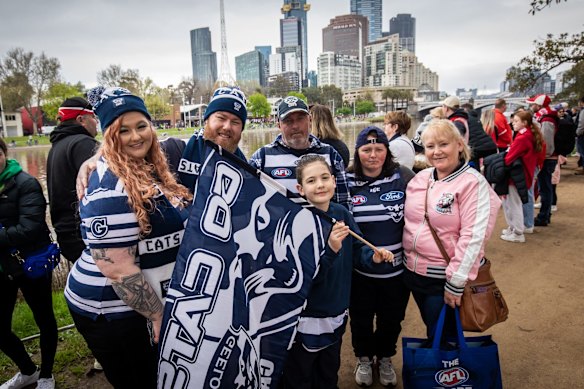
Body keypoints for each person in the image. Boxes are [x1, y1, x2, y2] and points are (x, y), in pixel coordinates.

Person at [64, 87, 192, 389]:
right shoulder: (108, 189)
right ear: (110, 135)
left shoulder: (148, 165)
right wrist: (159, 317)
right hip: (111, 310)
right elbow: (119, 271)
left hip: (142, 302)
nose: (135, 137)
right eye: (123, 130)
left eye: (141, 126)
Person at [279, 154, 392, 389]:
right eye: (311, 181)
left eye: (324, 178)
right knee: (300, 374)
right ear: (300, 188)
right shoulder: (297, 222)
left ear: (333, 180)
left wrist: (373, 256)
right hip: (306, 317)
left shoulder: (342, 214)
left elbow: (359, 251)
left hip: (337, 310)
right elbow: (302, 278)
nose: (320, 185)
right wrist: (331, 248)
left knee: (329, 371)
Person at [402, 119, 500, 337]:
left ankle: (449, 370)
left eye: (443, 144)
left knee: (443, 336)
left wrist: (456, 281)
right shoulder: (421, 178)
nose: (436, 152)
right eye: (430, 146)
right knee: (433, 329)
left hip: (443, 277)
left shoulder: (472, 183)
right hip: (414, 273)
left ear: (459, 144)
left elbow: (474, 236)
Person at [346, 126, 414, 387]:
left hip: (396, 273)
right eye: (366, 149)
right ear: (358, 152)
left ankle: (385, 357)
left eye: (379, 149)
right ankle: (364, 358)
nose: (372, 155)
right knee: (361, 319)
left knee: (391, 320)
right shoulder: (347, 180)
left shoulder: (404, 177)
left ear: (387, 151)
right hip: (361, 273)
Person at [0, 138, 58, 389]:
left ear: (4, 153)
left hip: (30, 263)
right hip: (2, 267)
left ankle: (47, 374)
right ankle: (28, 371)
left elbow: (31, 227)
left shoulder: (26, 183)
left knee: (44, 319)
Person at [249, 96, 351, 210]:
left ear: (310, 120)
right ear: (279, 125)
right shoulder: (261, 158)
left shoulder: (331, 155)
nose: (295, 126)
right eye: (288, 121)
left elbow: (344, 203)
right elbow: (250, 202)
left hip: (323, 227)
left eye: (300, 119)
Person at [47, 97, 99, 263]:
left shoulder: (58, 145)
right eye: (93, 117)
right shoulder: (83, 143)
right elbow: (102, 187)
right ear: (81, 119)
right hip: (85, 235)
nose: (96, 122)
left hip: (65, 234)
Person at [500, 111, 542, 243]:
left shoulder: (523, 137)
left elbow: (509, 158)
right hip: (522, 174)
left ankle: (518, 231)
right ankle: (514, 228)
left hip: (516, 175)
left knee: (513, 203)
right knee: (513, 202)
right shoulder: (529, 135)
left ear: (524, 123)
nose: (513, 122)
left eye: (516, 121)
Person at [528, 94, 558, 227]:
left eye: (533, 103)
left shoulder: (546, 119)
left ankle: (544, 216)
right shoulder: (547, 116)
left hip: (547, 158)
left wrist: (542, 157)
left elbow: (547, 142)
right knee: (545, 186)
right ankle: (545, 214)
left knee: (545, 187)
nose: (531, 106)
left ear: (538, 105)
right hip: (548, 157)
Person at [574, 96, 584, 174]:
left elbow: (581, 124)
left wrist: (577, 133)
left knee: (582, 152)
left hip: (582, 135)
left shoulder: (583, 111)